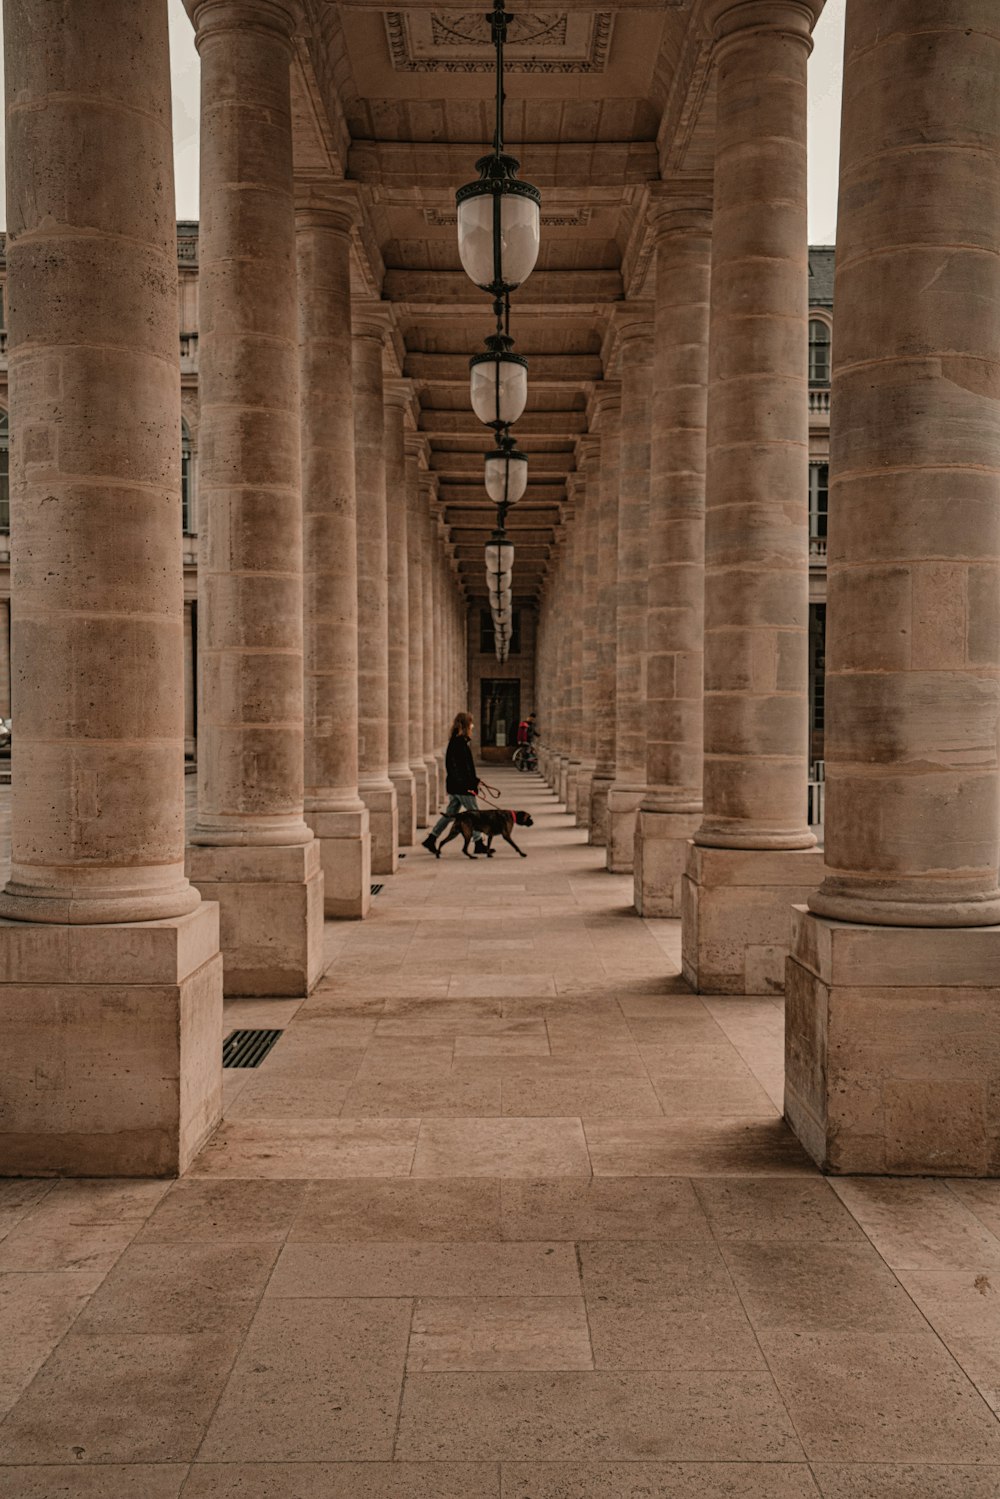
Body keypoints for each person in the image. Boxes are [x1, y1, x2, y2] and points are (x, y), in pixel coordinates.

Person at [422, 712, 489, 857]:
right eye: (470, 723)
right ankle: (478, 844)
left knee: (450, 814)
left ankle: (431, 838)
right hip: (462, 787)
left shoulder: (458, 741)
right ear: (465, 725)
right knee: (475, 814)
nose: (473, 726)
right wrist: (470, 783)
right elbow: (461, 769)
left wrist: (475, 780)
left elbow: (462, 768)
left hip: (456, 785)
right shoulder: (459, 743)